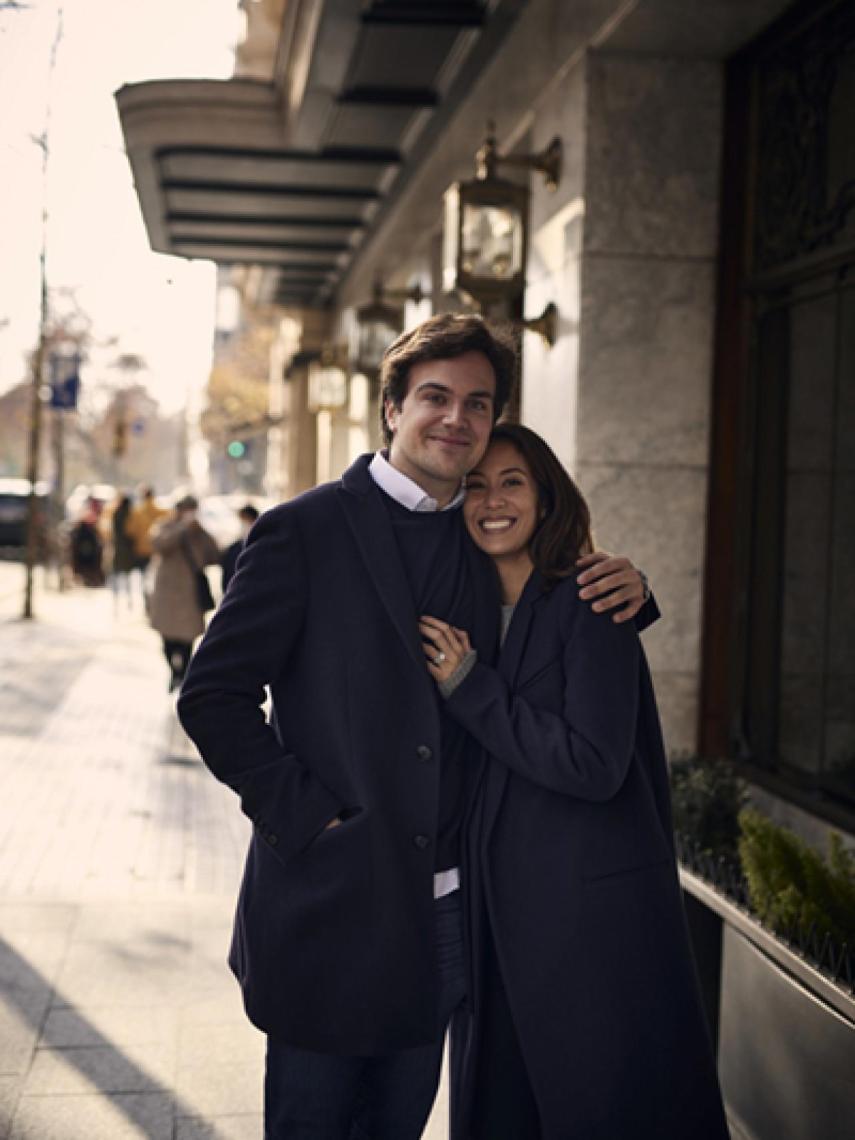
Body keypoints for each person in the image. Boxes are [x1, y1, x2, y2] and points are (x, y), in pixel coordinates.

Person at [176, 314, 649, 1140]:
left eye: (477, 403)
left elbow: (556, 614)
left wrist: (630, 586)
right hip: (331, 900)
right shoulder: (303, 530)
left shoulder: (487, 534)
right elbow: (211, 695)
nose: (456, 419)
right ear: (391, 408)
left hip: (448, 916)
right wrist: (309, 816)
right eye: (435, 397)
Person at [419, 423, 730, 1140]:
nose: (491, 500)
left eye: (512, 482)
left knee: (597, 1104)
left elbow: (593, 763)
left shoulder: (592, 599)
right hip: (493, 911)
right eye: (474, 485)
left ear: (547, 497)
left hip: (580, 918)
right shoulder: (462, 607)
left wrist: (470, 689)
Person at [148, 494, 220, 692]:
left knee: (187, 640)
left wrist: (200, 532)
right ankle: (174, 671)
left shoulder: (199, 532)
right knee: (166, 639)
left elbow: (214, 554)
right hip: (167, 592)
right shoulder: (166, 525)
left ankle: (183, 675)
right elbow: (158, 545)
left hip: (190, 594)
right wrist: (181, 530)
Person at [103, 491, 136, 610]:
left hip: (118, 548)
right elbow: (132, 532)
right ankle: (129, 602)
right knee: (127, 578)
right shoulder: (131, 515)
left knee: (116, 577)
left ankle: (116, 603)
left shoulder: (116, 513)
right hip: (128, 550)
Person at [220, 503, 260, 593]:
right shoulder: (233, 549)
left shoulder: (265, 546)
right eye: (242, 520)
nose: (244, 525)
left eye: (247, 521)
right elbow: (227, 580)